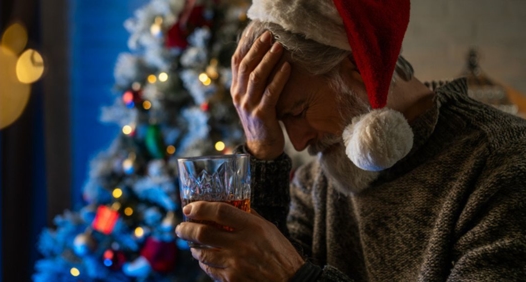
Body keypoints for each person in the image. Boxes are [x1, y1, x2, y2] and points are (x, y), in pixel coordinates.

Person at [175, 0, 526, 281]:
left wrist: (296, 277)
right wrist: (263, 153)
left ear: (361, 65)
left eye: (297, 111)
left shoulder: (504, 163)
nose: (297, 144)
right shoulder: (317, 182)